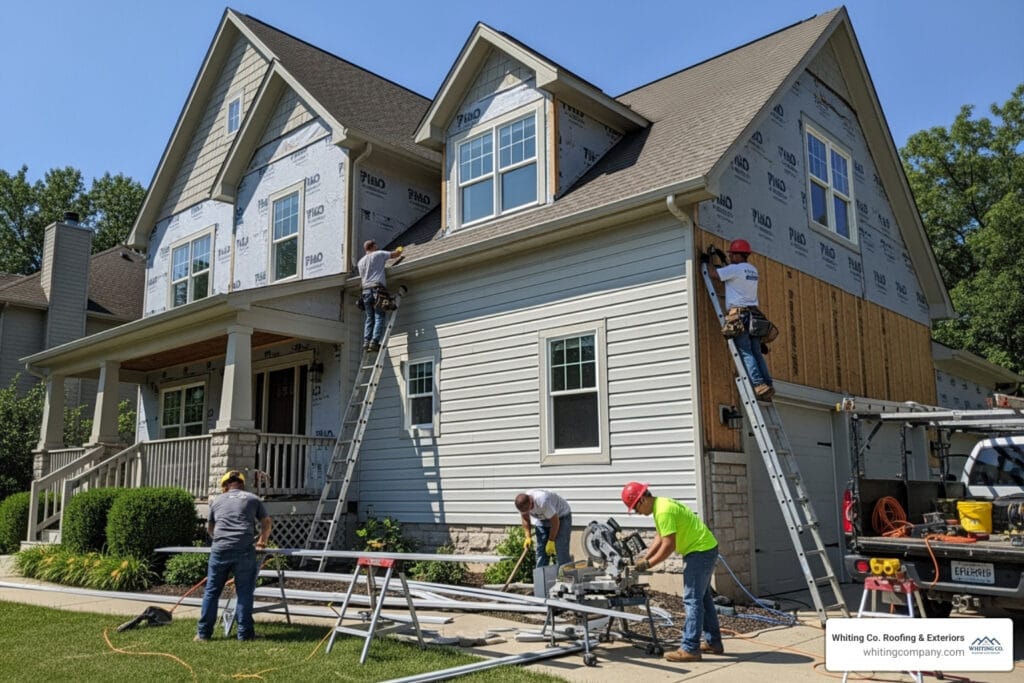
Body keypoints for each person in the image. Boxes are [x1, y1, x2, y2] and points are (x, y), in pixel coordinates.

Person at [621, 481, 723, 663]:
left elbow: (669, 545)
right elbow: (660, 537)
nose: (638, 513)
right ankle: (713, 642)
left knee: (692, 599)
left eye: (635, 509)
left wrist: (649, 564)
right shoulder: (661, 505)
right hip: (703, 549)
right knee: (704, 598)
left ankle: (690, 648)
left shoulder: (663, 510)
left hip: (699, 552)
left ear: (642, 499)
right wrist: (645, 558)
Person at [195, 470, 273, 642]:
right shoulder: (252, 499)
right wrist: (262, 541)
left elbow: (210, 529)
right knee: (244, 592)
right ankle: (245, 635)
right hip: (244, 550)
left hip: (220, 550)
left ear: (224, 486)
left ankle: (203, 634)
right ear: (242, 484)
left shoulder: (216, 501)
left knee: (212, 592)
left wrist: (220, 541)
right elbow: (266, 523)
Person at [703, 238, 775, 400]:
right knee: (756, 352)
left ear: (738, 255)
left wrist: (707, 260)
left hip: (739, 316)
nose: (730, 257)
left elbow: (714, 274)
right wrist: (724, 261)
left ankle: (758, 384)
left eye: (732, 254)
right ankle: (767, 383)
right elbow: (735, 276)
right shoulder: (752, 270)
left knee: (745, 351)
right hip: (754, 316)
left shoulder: (735, 270)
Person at [357, 239, 403, 352]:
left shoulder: (360, 262)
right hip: (377, 290)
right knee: (379, 316)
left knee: (369, 318)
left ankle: (366, 341)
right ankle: (374, 342)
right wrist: (400, 249)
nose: (378, 246)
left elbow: (362, 278)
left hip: (365, 292)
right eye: (376, 245)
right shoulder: (379, 254)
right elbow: (395, 255)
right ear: (373, 246)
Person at [515, 489, 572, 568]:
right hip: (542, 518)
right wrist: (528, 536)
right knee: (541, 550)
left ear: (531, 501)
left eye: (528, 510)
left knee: (560, 549)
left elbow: (555, 522)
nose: (528, 512)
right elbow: (525, 518)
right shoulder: (522, 505)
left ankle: (567, 576)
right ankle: (541, 577)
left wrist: (551, 540)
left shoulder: (542, 500)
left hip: (561, 516)